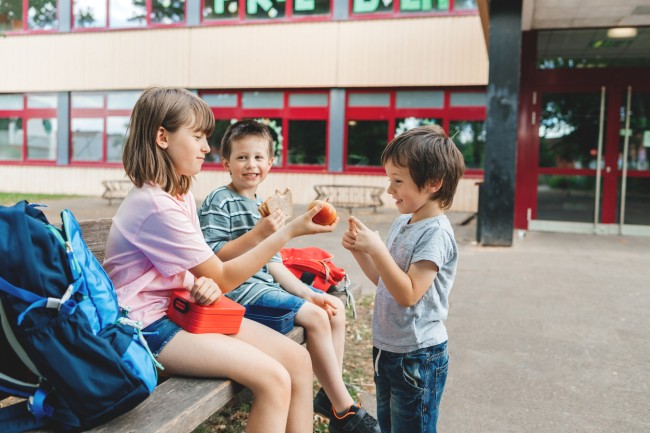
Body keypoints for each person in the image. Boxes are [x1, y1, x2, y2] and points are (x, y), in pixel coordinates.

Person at [103, 87, 338, 433]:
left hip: (182, 309)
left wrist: (205, 282)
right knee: (273, 378)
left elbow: (208, 271)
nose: (206, 148)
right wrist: (287, 233)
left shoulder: (179, 194)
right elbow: (224, 274)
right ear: (162, 137)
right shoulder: (155, 205)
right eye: (197, 136)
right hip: (146, 327)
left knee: (298, 360)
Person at [198, 119, 381, 433]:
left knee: (331, 310)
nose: (250, 164)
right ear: (226, 163)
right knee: (316, 318)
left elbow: (275, 263)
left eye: (258, 157)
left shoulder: (264, 205)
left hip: (264, 290)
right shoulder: (219, 200)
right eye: (242, 157)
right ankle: (344, 410)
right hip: (239, 294)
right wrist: (258, 234)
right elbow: (212, 256)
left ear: (270, 163)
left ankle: (328, 395)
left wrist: (308, 293)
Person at [342, 125, 465, 433]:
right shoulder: (402, 222)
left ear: (434, 183)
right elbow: (387, 282)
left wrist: (378, 248)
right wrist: (361, 251)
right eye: (389, 180)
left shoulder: (436, 233)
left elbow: (409, 294)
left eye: (398, 181)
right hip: (388, 350)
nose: (389, 189)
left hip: (418, 356)